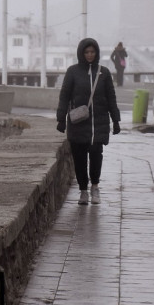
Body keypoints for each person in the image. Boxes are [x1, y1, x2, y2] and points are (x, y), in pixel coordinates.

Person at [56, 38, 121, 205]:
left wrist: (116, 120)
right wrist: (61, 119)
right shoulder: (73, 72)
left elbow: (111, 98)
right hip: (78, 123)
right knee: (79, 158)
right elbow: (64, 96)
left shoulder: (104, 73)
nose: (90, 55)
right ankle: (83, 190)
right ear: (81, 53)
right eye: (86, 52)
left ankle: (95, 186)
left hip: (98, 123)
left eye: (92, 52)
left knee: (96, 154)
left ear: (97, 53)